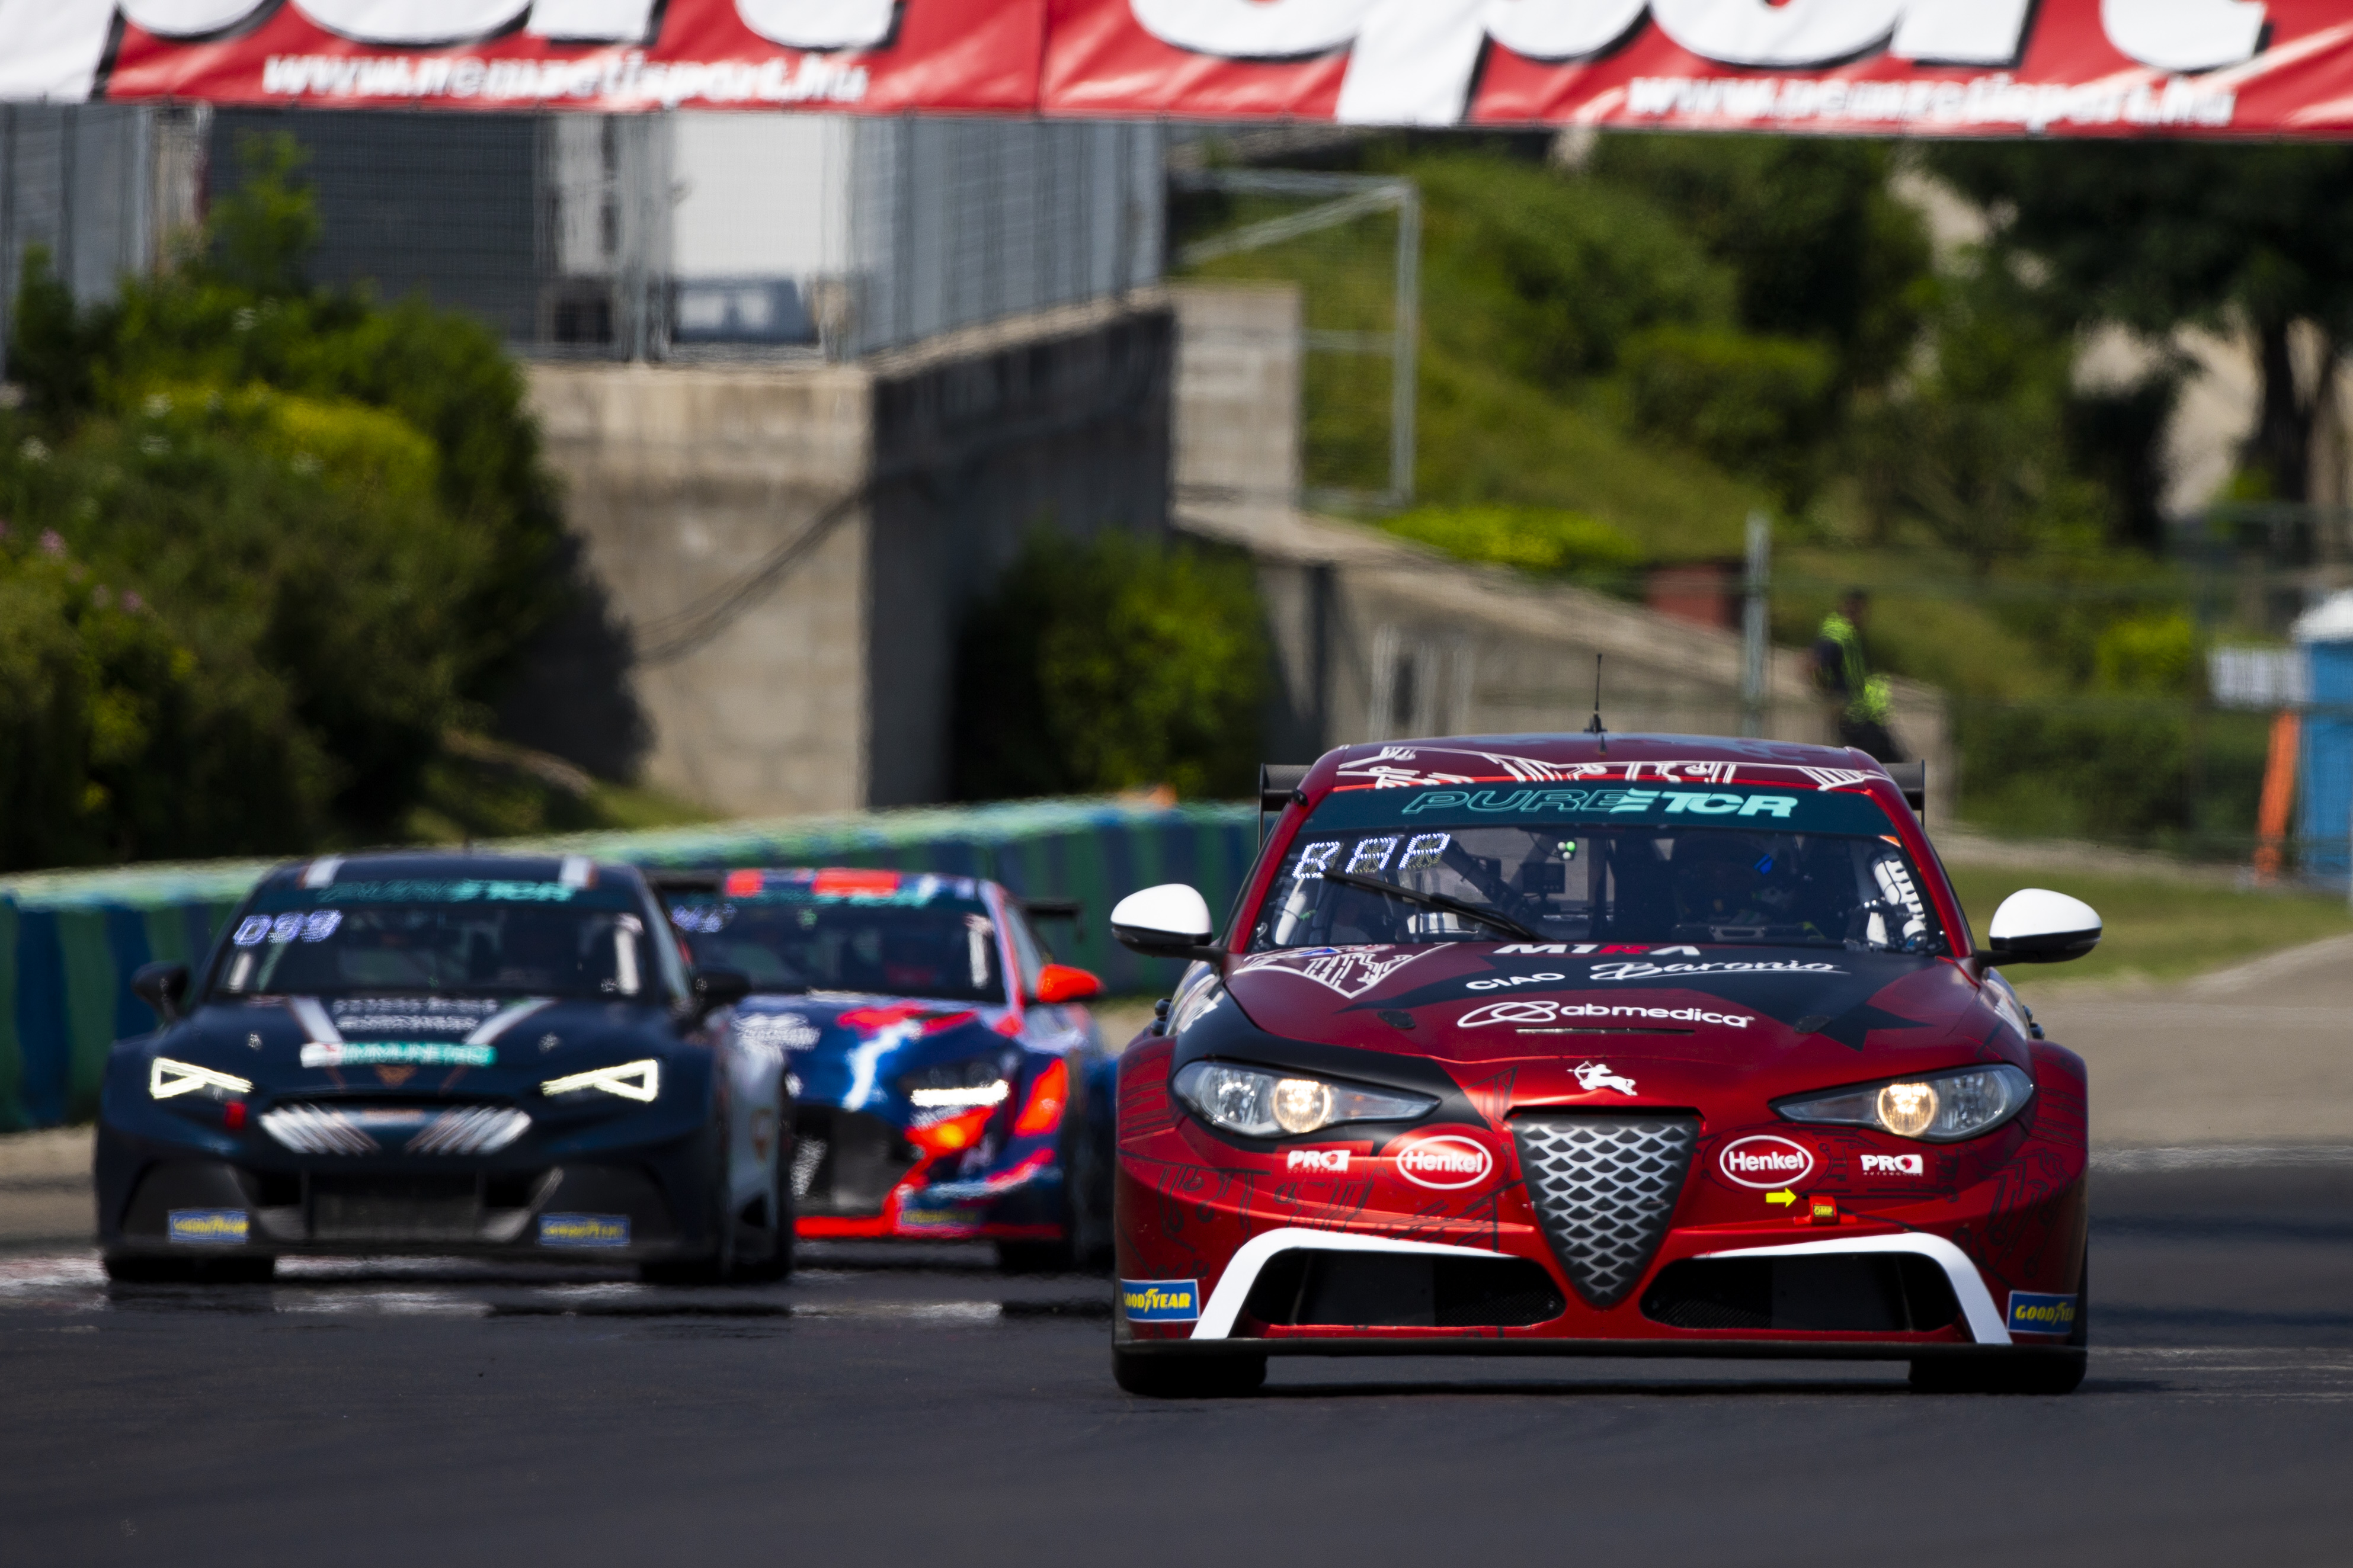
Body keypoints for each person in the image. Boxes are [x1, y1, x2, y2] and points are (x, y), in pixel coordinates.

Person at [1814, 589, 1903, 762]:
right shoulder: (1838, 634)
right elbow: (1813, 665)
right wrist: (1830, 696)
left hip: (1865, 713)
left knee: (1888, 757)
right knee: (1884, 760)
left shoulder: (1852, 636)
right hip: (1853, 716)